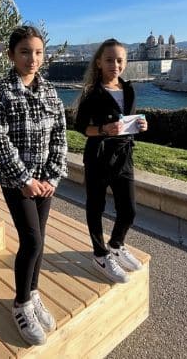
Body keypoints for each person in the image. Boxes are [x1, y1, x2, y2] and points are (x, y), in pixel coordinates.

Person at [0, 25, 68, 346]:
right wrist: (24, 180)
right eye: (24, 52)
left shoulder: (50, 91)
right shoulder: (2, 92)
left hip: (44, 184)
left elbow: (60, 136)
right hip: (16, 182)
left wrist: (51, 177)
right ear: (11, 55)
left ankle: (33, 294)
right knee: (31, 240)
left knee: (40, 239)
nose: (32, 59)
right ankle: (21, 304)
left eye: (37, 52)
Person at [74, 38, 148, 284]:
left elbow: (128, 121)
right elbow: (81, 127)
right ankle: (100, 254)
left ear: (125, 63)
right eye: (109, 60)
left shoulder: (129, 89)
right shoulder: (91, 92)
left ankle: (116, 244)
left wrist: (140, 125)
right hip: (98, 156)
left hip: (124, 156)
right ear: (99, 63)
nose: (114, 64)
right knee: (95, 208)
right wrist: (105, 129)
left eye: (119, 60)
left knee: (128, 210)